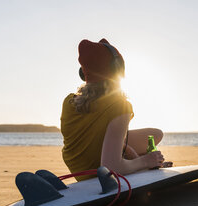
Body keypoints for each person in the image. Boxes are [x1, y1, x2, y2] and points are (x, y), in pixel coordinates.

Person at [60, 38, 172, 181]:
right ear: (117, 69)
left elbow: (95, 137)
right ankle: (141, 164)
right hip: (98, 171)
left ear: (84, 73)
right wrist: (146, 161)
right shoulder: (119, 105)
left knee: (155, 134)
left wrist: (136, 158)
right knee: (149, 144)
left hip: (78, 169)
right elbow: (111, 168)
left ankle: (139, 164)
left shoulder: (69, 101)